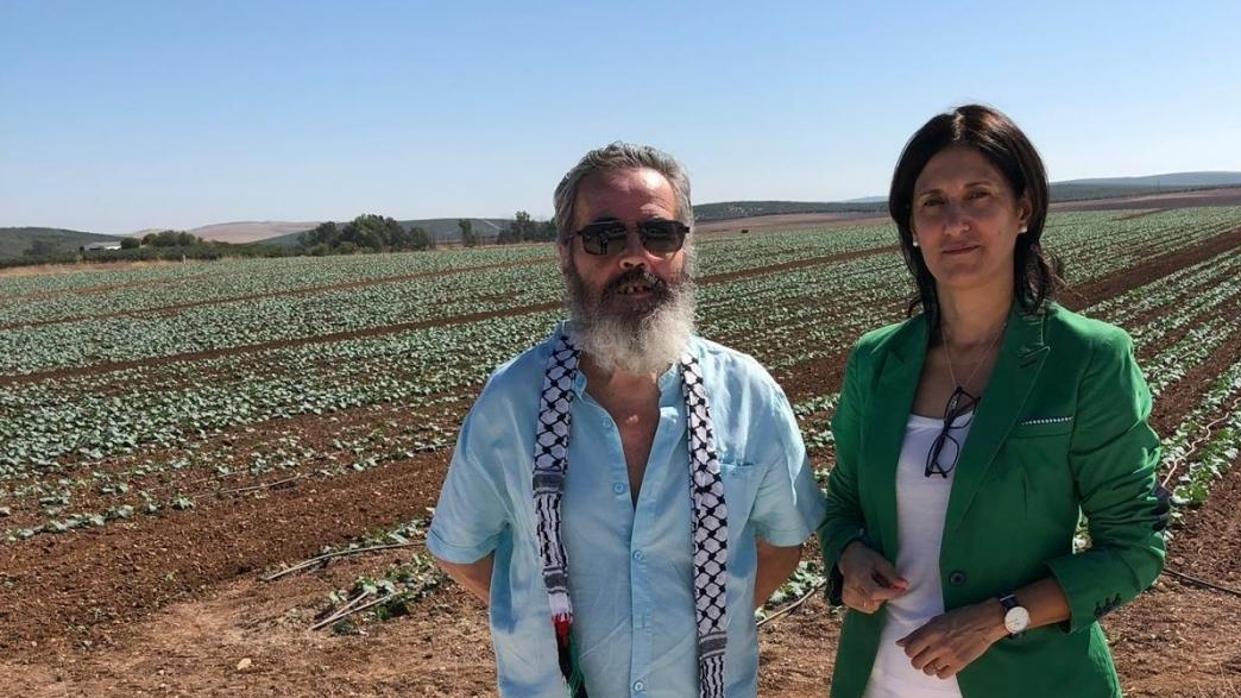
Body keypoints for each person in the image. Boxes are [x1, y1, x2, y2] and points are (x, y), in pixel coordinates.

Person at [428, 142, 826, 697]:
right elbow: (463, 552)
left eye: (658, 234)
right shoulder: (511, 402)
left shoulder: (749, 395)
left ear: (685, 249)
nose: (635, 257)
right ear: (567, 254)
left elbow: (782, 547)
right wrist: (552, 608)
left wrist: (700, 616)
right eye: (605, 237)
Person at [817, 105, 1168, 698]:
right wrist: (847, 557)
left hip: (1033, 679)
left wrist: (1000, 616)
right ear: (912, 224)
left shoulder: (1086, 358)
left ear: (1023, 210)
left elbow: (1133, 549)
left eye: (979, 196)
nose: (955, 222)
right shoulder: (877, 362)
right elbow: (843, 503)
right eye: (932, 203)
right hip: (881, 682)